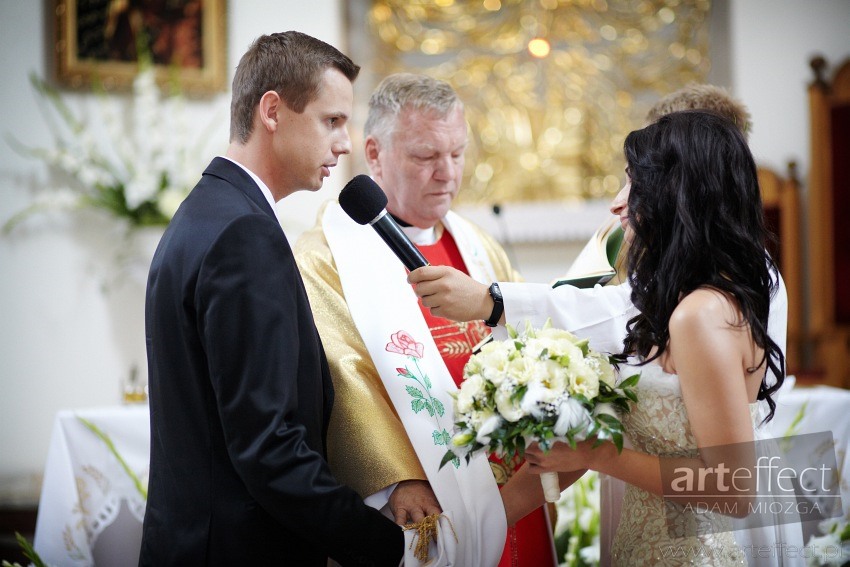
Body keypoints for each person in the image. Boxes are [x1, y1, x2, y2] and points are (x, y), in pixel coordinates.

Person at [141, 31, 403, 566]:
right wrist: (390, 549)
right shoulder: (245, 235)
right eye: (332, 121)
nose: (346, 143)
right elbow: (270, 449)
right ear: (273, 111)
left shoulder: (203, 212)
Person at [294, 73, 558, 566]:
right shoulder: (327, 256)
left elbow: (531, 345)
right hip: (427, 493)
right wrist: (397, 476)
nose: (448, 174)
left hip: (513, 484)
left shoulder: (479, 247)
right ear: (374, 153)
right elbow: (344, 371)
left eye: (457, 154)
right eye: (425, 157)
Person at [523, 110, 797, 565]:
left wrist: (599, 455)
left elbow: (734, 489)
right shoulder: (697, 300)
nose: (617, 203)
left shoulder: (700, 315)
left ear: (677, 194)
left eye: (633, 183)